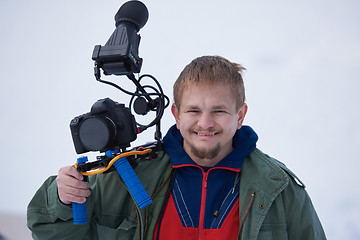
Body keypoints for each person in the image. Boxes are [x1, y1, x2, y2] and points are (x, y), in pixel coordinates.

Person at [27, 56, 326, 239]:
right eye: (194, 110)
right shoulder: (127, 179)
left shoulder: (280, 190)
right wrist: (62, 198)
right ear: (176, 114)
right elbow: (54, 233)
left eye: (219, 111)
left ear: (240, 115)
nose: (205, 123)